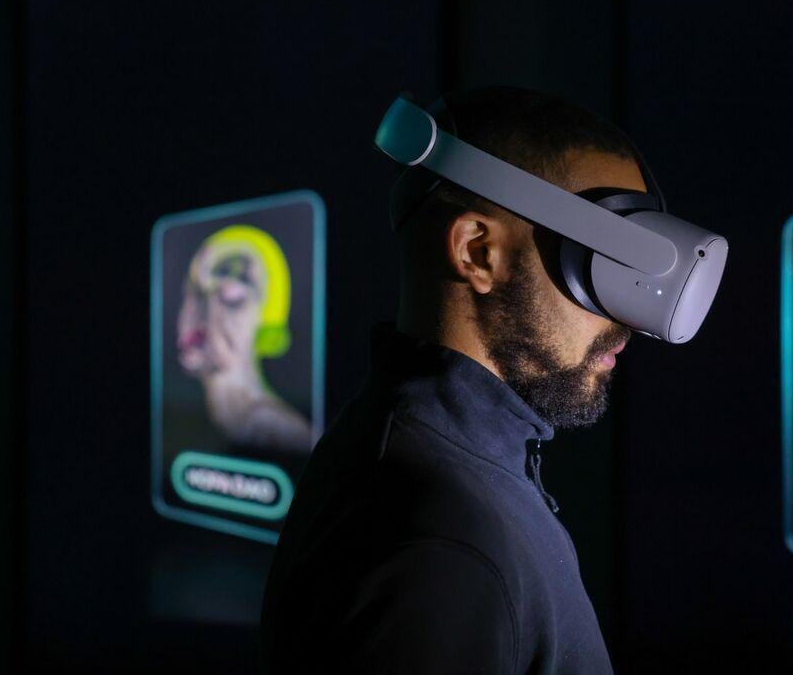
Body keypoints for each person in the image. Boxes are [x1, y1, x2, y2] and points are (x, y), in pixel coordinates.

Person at [260, 86, 644, 673]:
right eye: (597, 264)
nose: (624, 320)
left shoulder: (439, 459)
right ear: (477, 252)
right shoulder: (441, 539)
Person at [177, 223, 314, 454]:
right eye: (196, 291)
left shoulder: (282, 432)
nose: (204, 312)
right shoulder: (186, 417)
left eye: (232, 296)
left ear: (268, 322)